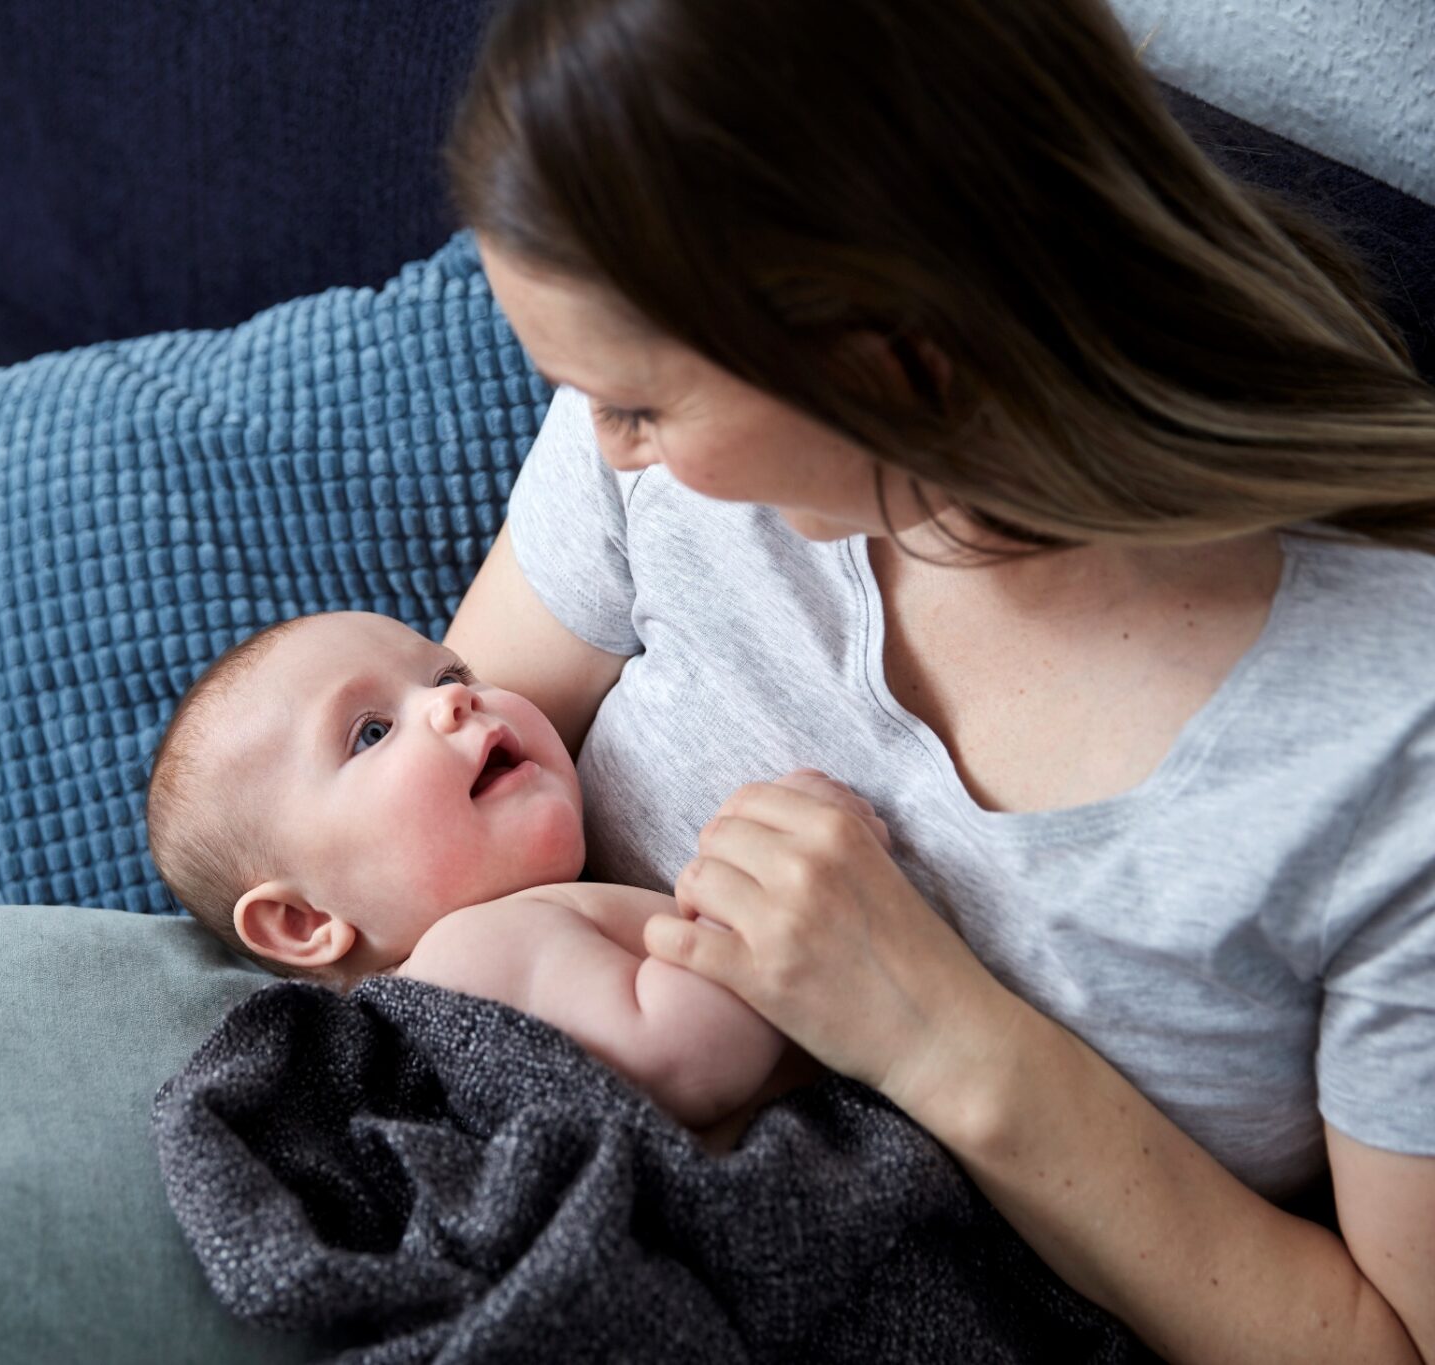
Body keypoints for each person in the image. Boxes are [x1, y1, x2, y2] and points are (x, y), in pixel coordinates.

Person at [436, 0, 1435, 1361]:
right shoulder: (670, 457)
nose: (608, 449)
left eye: (640, 404)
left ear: (888, 348)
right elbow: (396, 840)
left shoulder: (1395, 734)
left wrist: (938, 1036)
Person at [144, 608, 890, 1140]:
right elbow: (685, 1058)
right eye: (371, 731)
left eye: (446, 670)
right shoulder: (471, 950)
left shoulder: (507, 932)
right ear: (303, 922)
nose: (450, 699)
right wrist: (765, 885)